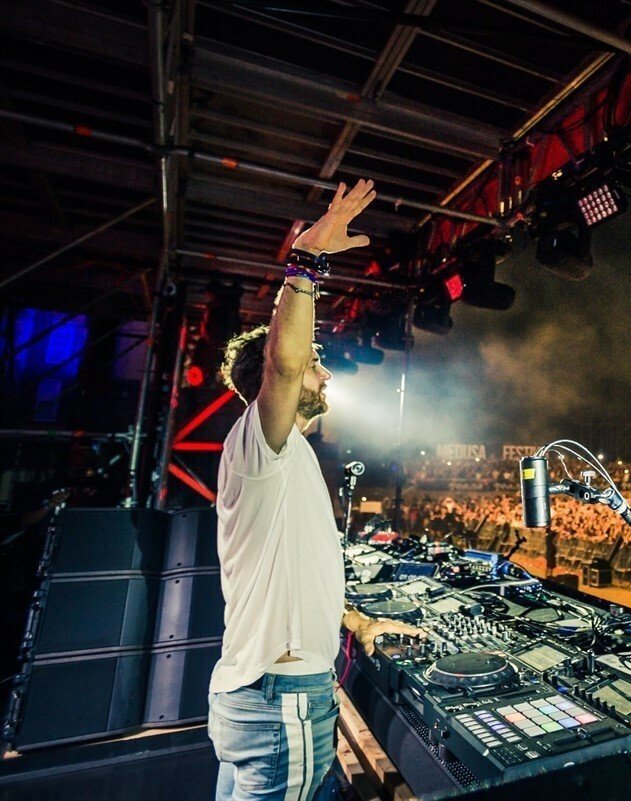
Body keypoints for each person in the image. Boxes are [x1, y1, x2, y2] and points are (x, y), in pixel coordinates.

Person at [207, 180, 424, 801]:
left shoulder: (287, 455)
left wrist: (355, 618)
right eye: (313, 363)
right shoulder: (259, 444)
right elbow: (283, 362)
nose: (324, 372)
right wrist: (306, 260)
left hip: (264, 696)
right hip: (281, 703)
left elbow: (299, 576)